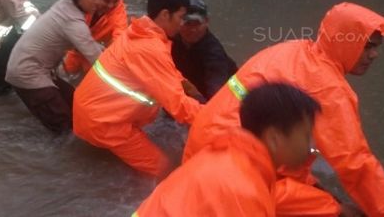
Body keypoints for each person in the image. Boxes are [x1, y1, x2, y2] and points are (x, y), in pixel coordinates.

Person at [183, 2, 384, 217]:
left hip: (206, 142)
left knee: (319, 192)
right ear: (346, 43)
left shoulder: (296, 49)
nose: (374, 54)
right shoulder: (329, 88)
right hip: (231, 170)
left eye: (376, 47)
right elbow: (355, 165)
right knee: (340, 211)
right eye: (367, 46)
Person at [72, 0, 203, 178]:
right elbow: (179, 106)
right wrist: (217, 117)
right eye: (181, 17)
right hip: (104, 123)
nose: (183, 24)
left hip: (92, 111)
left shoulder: (140, 31)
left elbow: (165, 71)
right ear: (165, 15)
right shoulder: (150, 48)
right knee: (164, 169)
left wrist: (191, 89)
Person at [133, 83, 321, 217]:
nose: (312, 145)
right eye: (306, 135)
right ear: (274, 138)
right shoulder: (244, 190)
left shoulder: (228, 154)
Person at [5, 0, 108, 134]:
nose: (98, 2)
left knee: (78, 104)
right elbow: (100, 61)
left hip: (34, 68)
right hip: (29, 74)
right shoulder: (73, 21)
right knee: (66, 129)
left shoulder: (65, 6)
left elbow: (88, 45)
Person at [171, 0, 237, 102]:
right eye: (187, 23)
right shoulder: (170, 39)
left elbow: (216, 90)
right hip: (186, 90)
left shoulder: (214, 53)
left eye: (197, 23)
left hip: (216, 96)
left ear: (206, 22)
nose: (192, 30)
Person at [62, 0, 128, 78]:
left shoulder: (118, 13)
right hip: (76, 49)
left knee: (89, 79)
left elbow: (120, 36)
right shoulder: (84, 3)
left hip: (95, 52)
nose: (110, 5)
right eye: (106, 1)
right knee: (63, 73)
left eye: (115, 2)